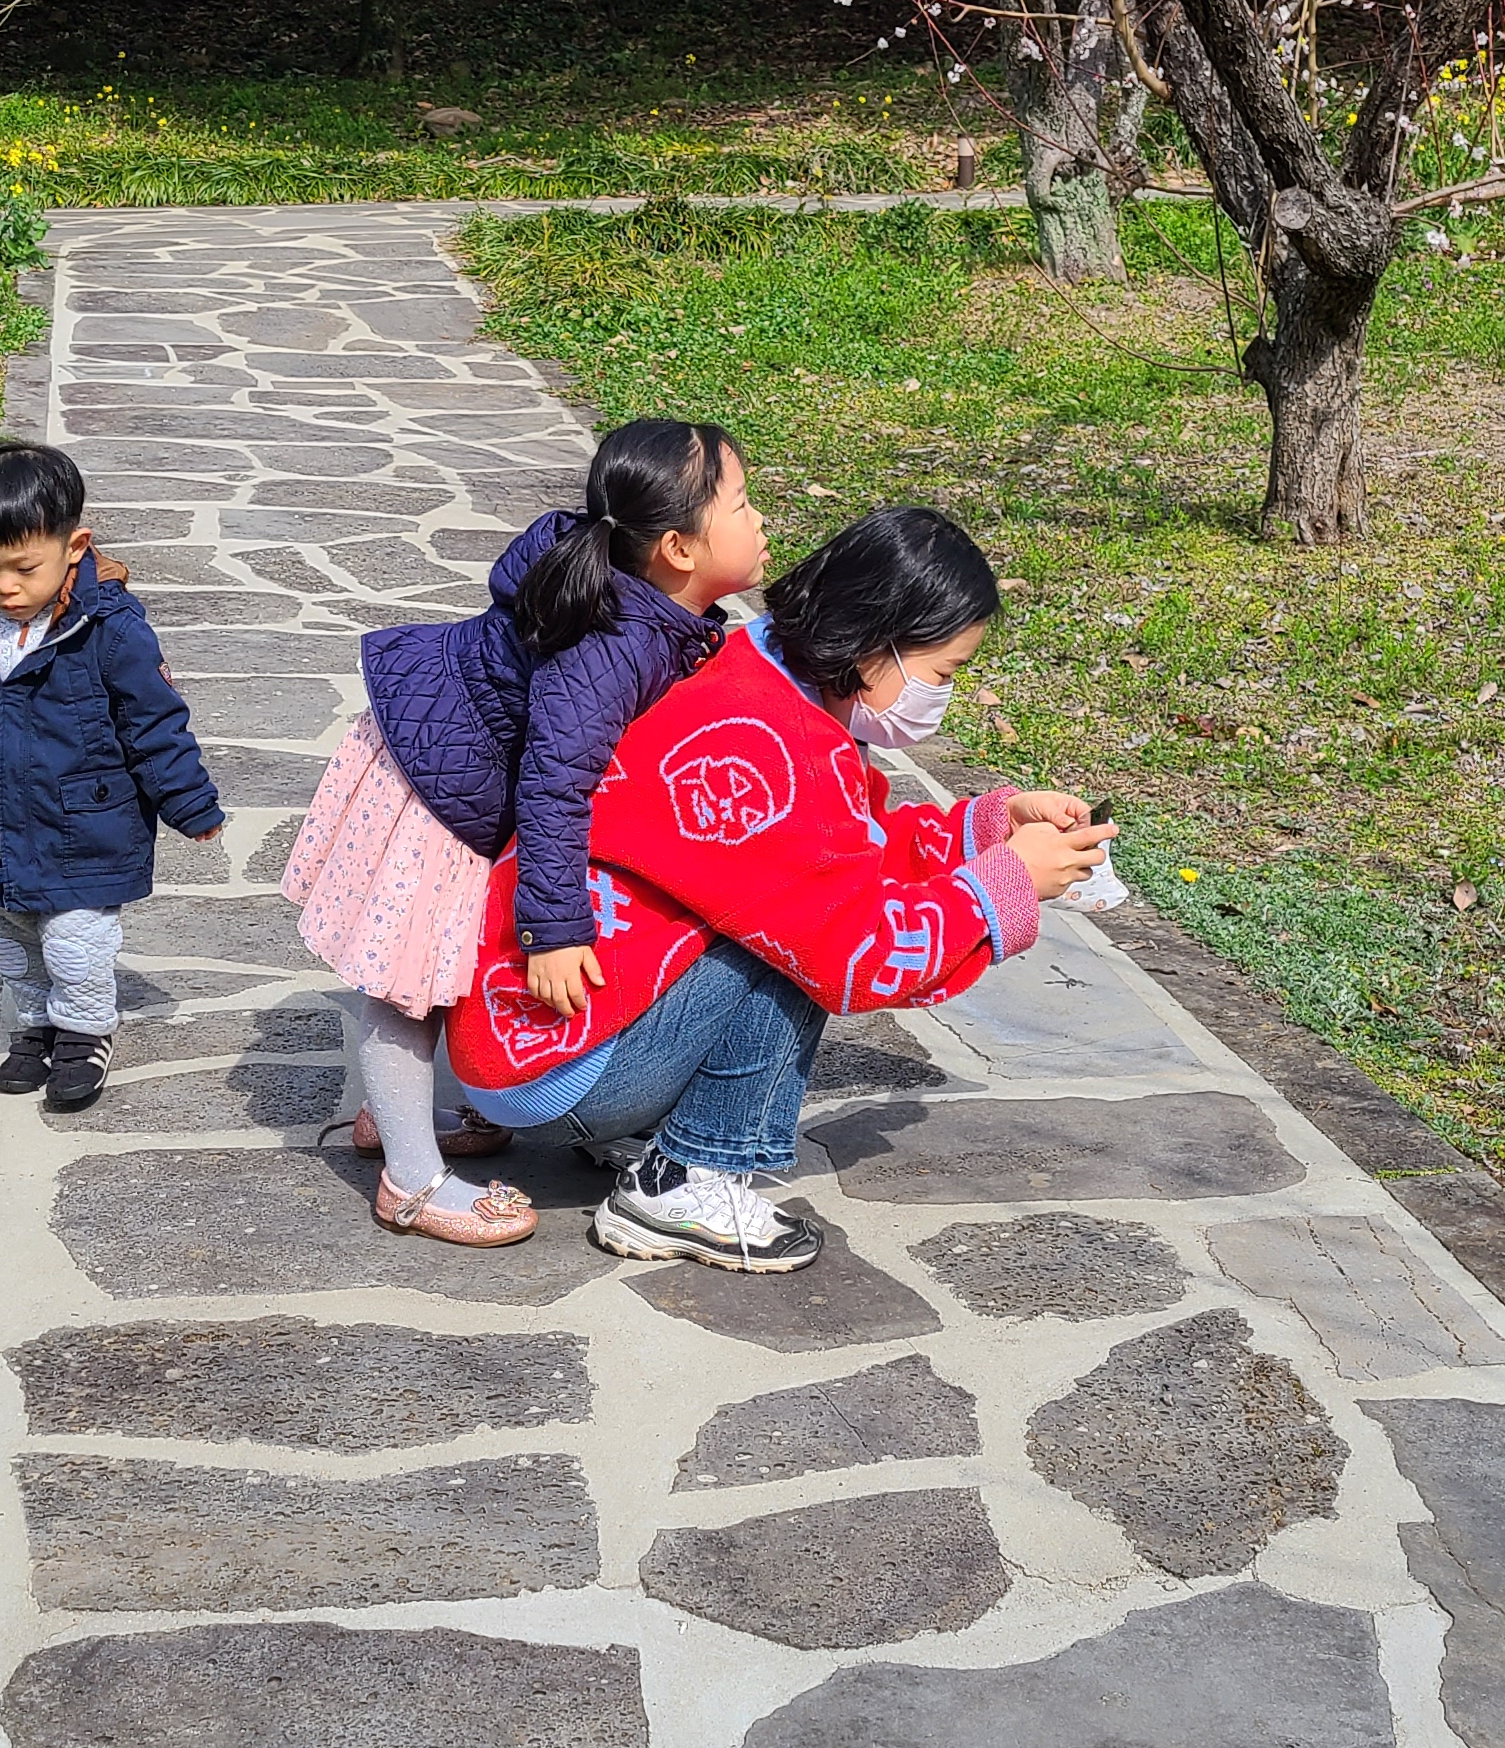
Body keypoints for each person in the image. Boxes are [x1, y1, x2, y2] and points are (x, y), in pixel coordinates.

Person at [445, 506, 1107, 1272]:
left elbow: (849, 846)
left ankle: (639, 1128)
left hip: (527, 1033)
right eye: (942, 673)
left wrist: (987, 826)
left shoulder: (753, 669)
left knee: (795, 911)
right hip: (564, 1070)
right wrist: (1006, 885)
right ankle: (684, 1177)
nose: (943, 695)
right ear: (873, 644)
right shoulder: (779, 749)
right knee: (800, 944)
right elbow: (857, 946)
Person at [288, 419, 766, 1245]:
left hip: (456, 755)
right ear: (680, 550)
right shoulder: (612, 644)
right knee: (409, 978)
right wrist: (552, 929)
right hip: (434, 772)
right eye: (743, 503)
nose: (761, 521)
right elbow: (555, 782)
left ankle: (412, 1117)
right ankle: (409, 1176)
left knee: (452, 952)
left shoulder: (656, 613)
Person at [0, 440, 222, 1113]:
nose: (4, 587)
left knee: (75, 941)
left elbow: (154, 722)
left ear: (73, 546)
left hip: (86, 824)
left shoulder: (110, 629)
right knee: (11, 942)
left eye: (23, 568)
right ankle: (35, 1025)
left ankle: (85, 1032)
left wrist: (188, 800)